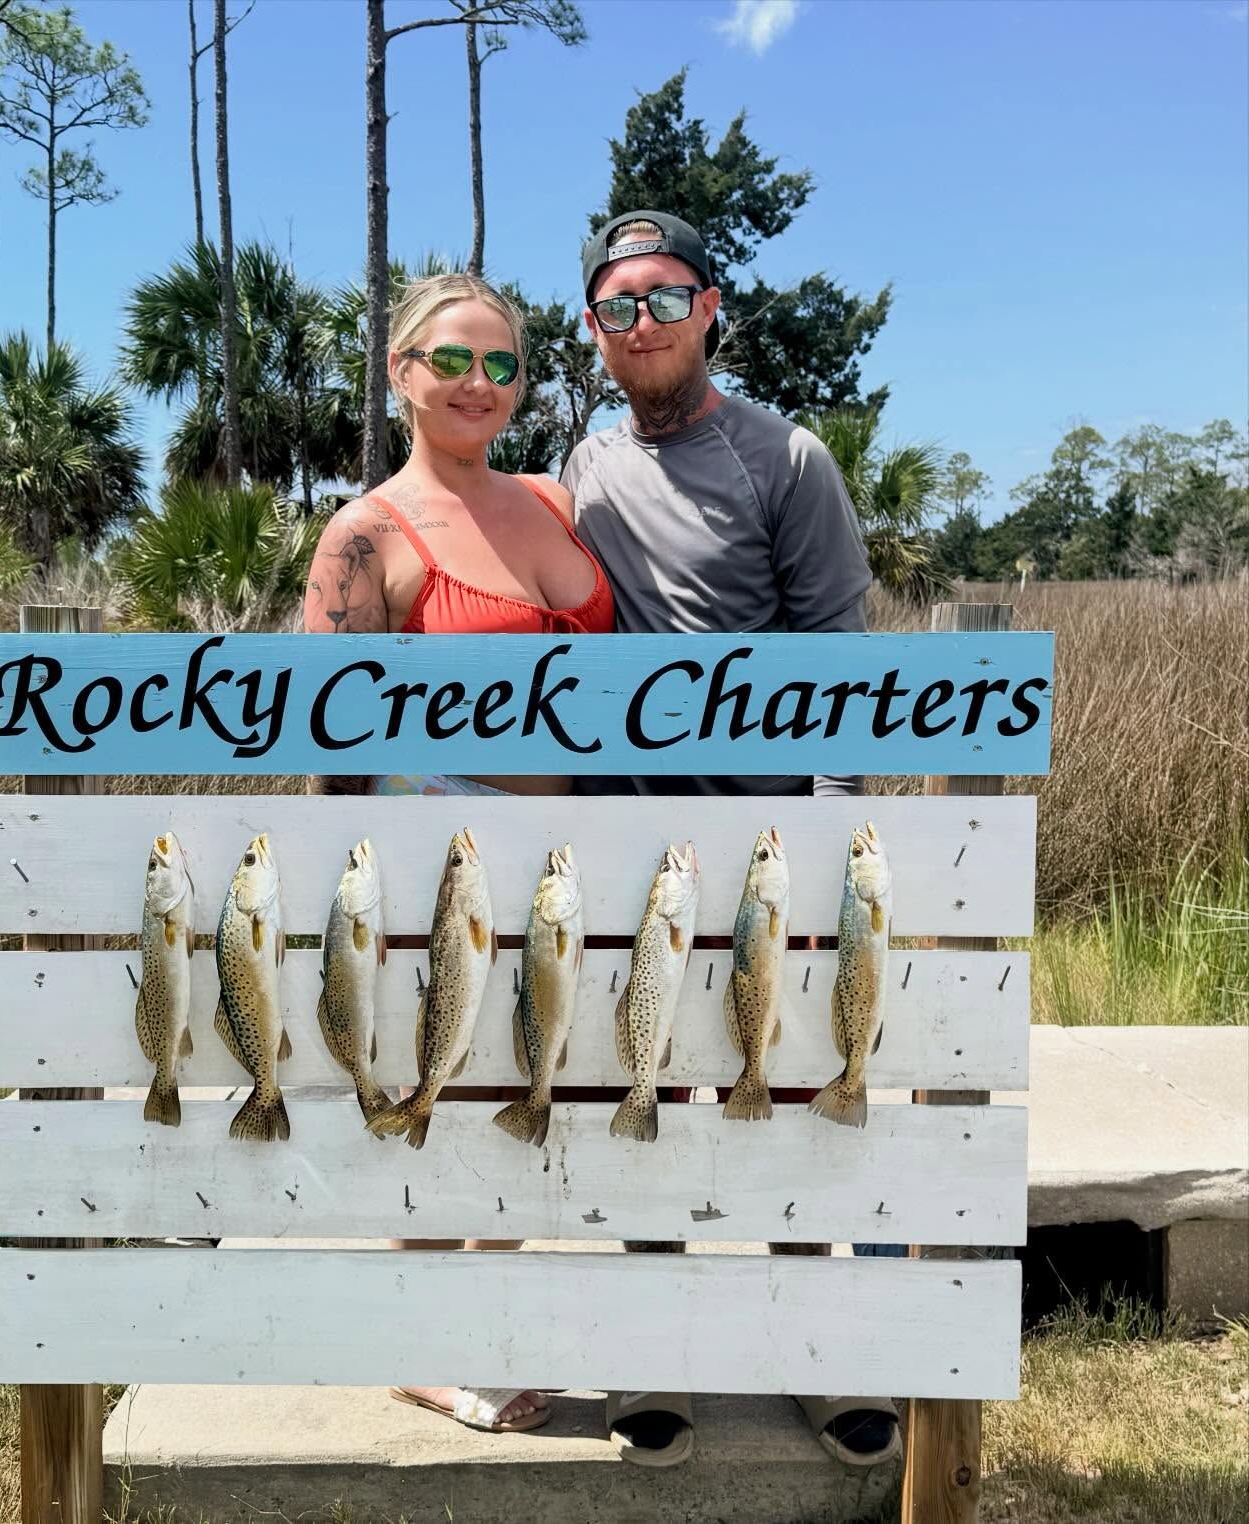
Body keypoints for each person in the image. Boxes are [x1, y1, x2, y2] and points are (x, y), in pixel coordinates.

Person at [560, 209, 903, 1470]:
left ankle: (829, 1353)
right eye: (616, 306)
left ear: (712, 309)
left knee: (802, 1086)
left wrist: (821, 842)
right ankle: (658, 1353)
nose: (640, 323)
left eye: (663, 296)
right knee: (648, 1081)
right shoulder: (583, 467)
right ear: (595, 334)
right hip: (632, 841)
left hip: (773, 841)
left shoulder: (788, 459)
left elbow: (838, 656)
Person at [302, 272, 614, 1434]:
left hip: (569, 860)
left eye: (501, 364)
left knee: (538, 1087)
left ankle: (476, 1318)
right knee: (441, 1084)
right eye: (451, 361)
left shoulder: (552, 498)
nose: (477, 384)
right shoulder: (365, 532)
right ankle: (427, 1341)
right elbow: (320, 735)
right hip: (436, 862)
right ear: (401, 372)